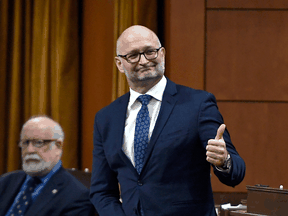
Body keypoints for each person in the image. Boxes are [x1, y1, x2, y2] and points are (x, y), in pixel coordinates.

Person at [90, 25, 246, 216]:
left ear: (162, 54)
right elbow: (102, 191)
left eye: (150, 52)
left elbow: (236, 173)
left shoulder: (197, 104)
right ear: (119, 64)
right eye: (133, 55)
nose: (144, 60)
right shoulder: (106, 118)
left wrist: (223, 161)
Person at [0, 116, 95, 216]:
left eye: (39, 143)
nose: (29, 150)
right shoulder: (6, 181)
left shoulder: (77, 196)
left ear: (58, 146)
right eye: (25, 143)